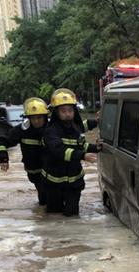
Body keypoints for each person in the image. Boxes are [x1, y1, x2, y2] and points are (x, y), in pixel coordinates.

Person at [42, 88, 100, 216]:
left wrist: (96, 148)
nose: (67, 114)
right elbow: (59, 151)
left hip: (74, 182)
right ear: (56, 113)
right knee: (54, 215)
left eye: (70, 110)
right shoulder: (50, 131)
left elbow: (81, 145)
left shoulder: (75, 127)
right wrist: (82, 155)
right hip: (54, 184)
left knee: (72, 214)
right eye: (63, 111)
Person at [0, 97, 49, 205]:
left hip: (53, 170)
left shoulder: (53, 128)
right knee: (44, 200)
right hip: (35, 172)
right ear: (28, 118)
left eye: (39, 117)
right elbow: (1, 141)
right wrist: (3, 159)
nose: (37, 121)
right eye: (33, 118)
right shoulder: (21, 130)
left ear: (45, 117)